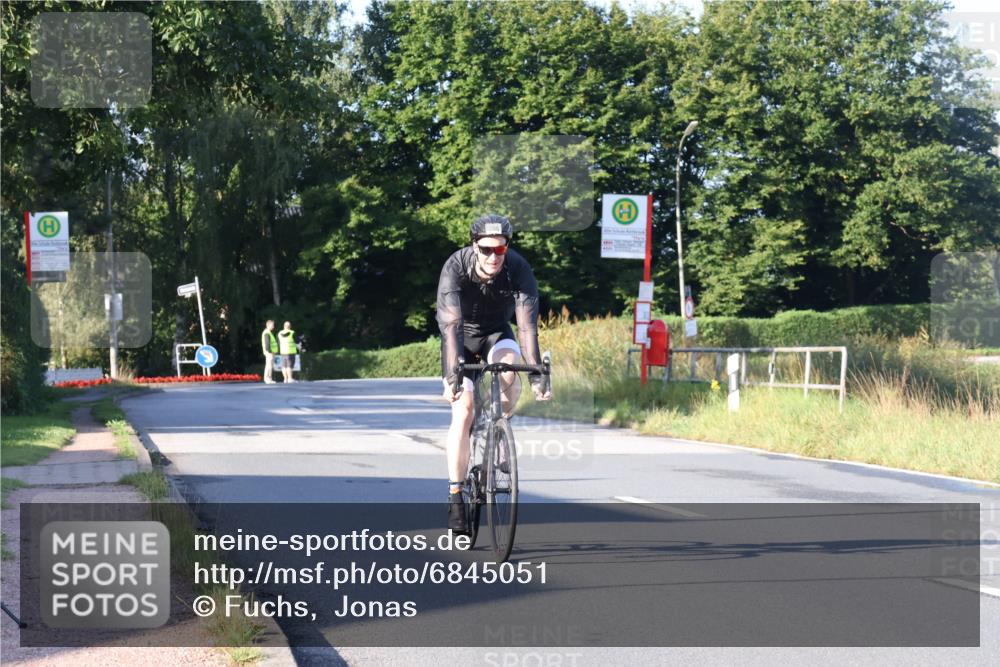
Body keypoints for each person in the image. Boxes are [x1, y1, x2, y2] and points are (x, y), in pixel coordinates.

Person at [436, 213, 551, 534]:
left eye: (499, 250)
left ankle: (500, 426)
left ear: (506, 248)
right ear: (474, 246)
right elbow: (451, 326)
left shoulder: (518, 268)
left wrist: (537, 375)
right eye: (486, 249)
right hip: (460, 338)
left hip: (497, 334)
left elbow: (527, 326)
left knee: (509, 370)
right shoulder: (455, 267)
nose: (493, 257)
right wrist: (452, 375)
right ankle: (456, 494)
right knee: (464, 411)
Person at [261, 319, 279, 384]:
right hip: (269, 353)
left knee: (270, 365)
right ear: (268, 325)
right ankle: (267, 378)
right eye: (272, 325)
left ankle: (269, 379)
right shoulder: (266, 332)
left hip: (271, 352)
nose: (273, 326)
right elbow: (267, 344)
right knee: (268, 365)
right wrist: (270, 351)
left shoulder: (268, 332)